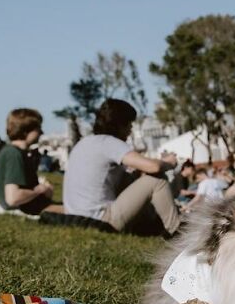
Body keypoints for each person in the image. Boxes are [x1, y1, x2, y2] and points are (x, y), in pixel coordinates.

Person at [63, 99, 180, 236]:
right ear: (119, 125)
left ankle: (156, 224)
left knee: (130, 178)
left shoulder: (85, 143)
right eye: (129, 125)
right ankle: (177, 231)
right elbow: (153, 167)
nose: (130, 130)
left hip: (77, 217)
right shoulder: (109, 143)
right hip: (101, 219)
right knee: (157, 180)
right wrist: (168, 162)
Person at [0, 108, 57, 215]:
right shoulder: (13, 154)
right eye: (38, 128)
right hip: (26, 208)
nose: (41, 132)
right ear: (26, 130)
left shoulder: (15, 152)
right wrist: (39, 190)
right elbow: (12, 198)